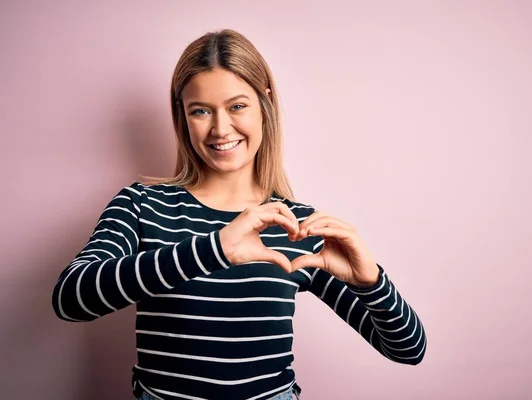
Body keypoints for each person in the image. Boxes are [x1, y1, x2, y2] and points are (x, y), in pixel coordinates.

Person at [51, 28, 427, 400]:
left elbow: (408, 350)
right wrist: (216, 248)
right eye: (201, 111)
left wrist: (371, 281)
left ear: (265, 104)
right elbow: (70, 299)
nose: (220, 128)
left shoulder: (296, 227)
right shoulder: (142, 204)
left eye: (237, 106)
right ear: (182, 115)